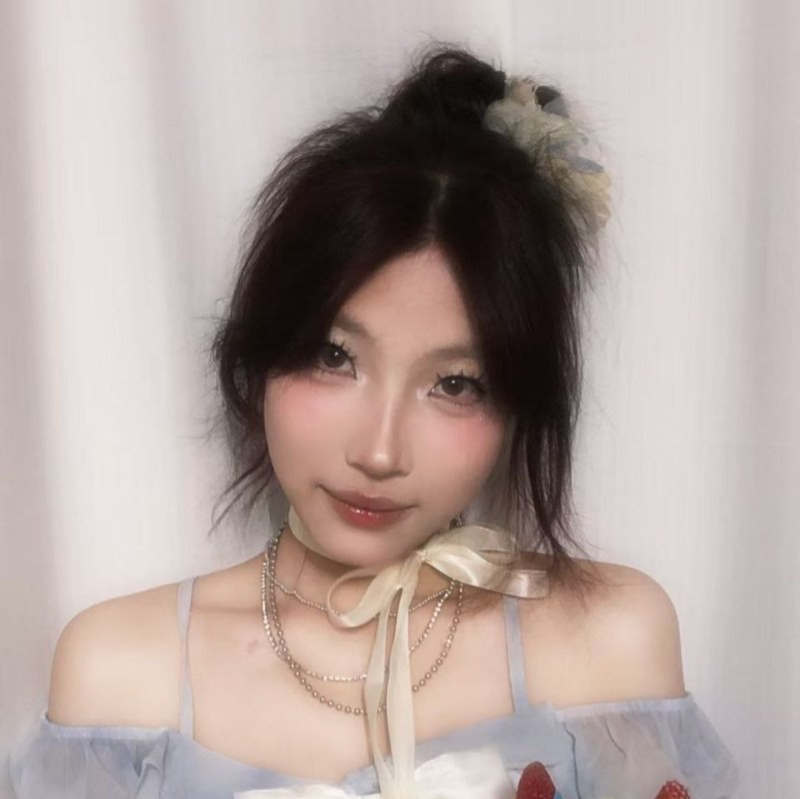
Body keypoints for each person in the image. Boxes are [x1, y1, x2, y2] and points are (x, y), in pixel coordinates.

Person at [9, 45, 738, 799]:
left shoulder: (611, 645)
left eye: (455, 384)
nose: (380, 451)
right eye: (334, 357)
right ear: (262, 351)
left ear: (517, 404)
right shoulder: (120, 675)